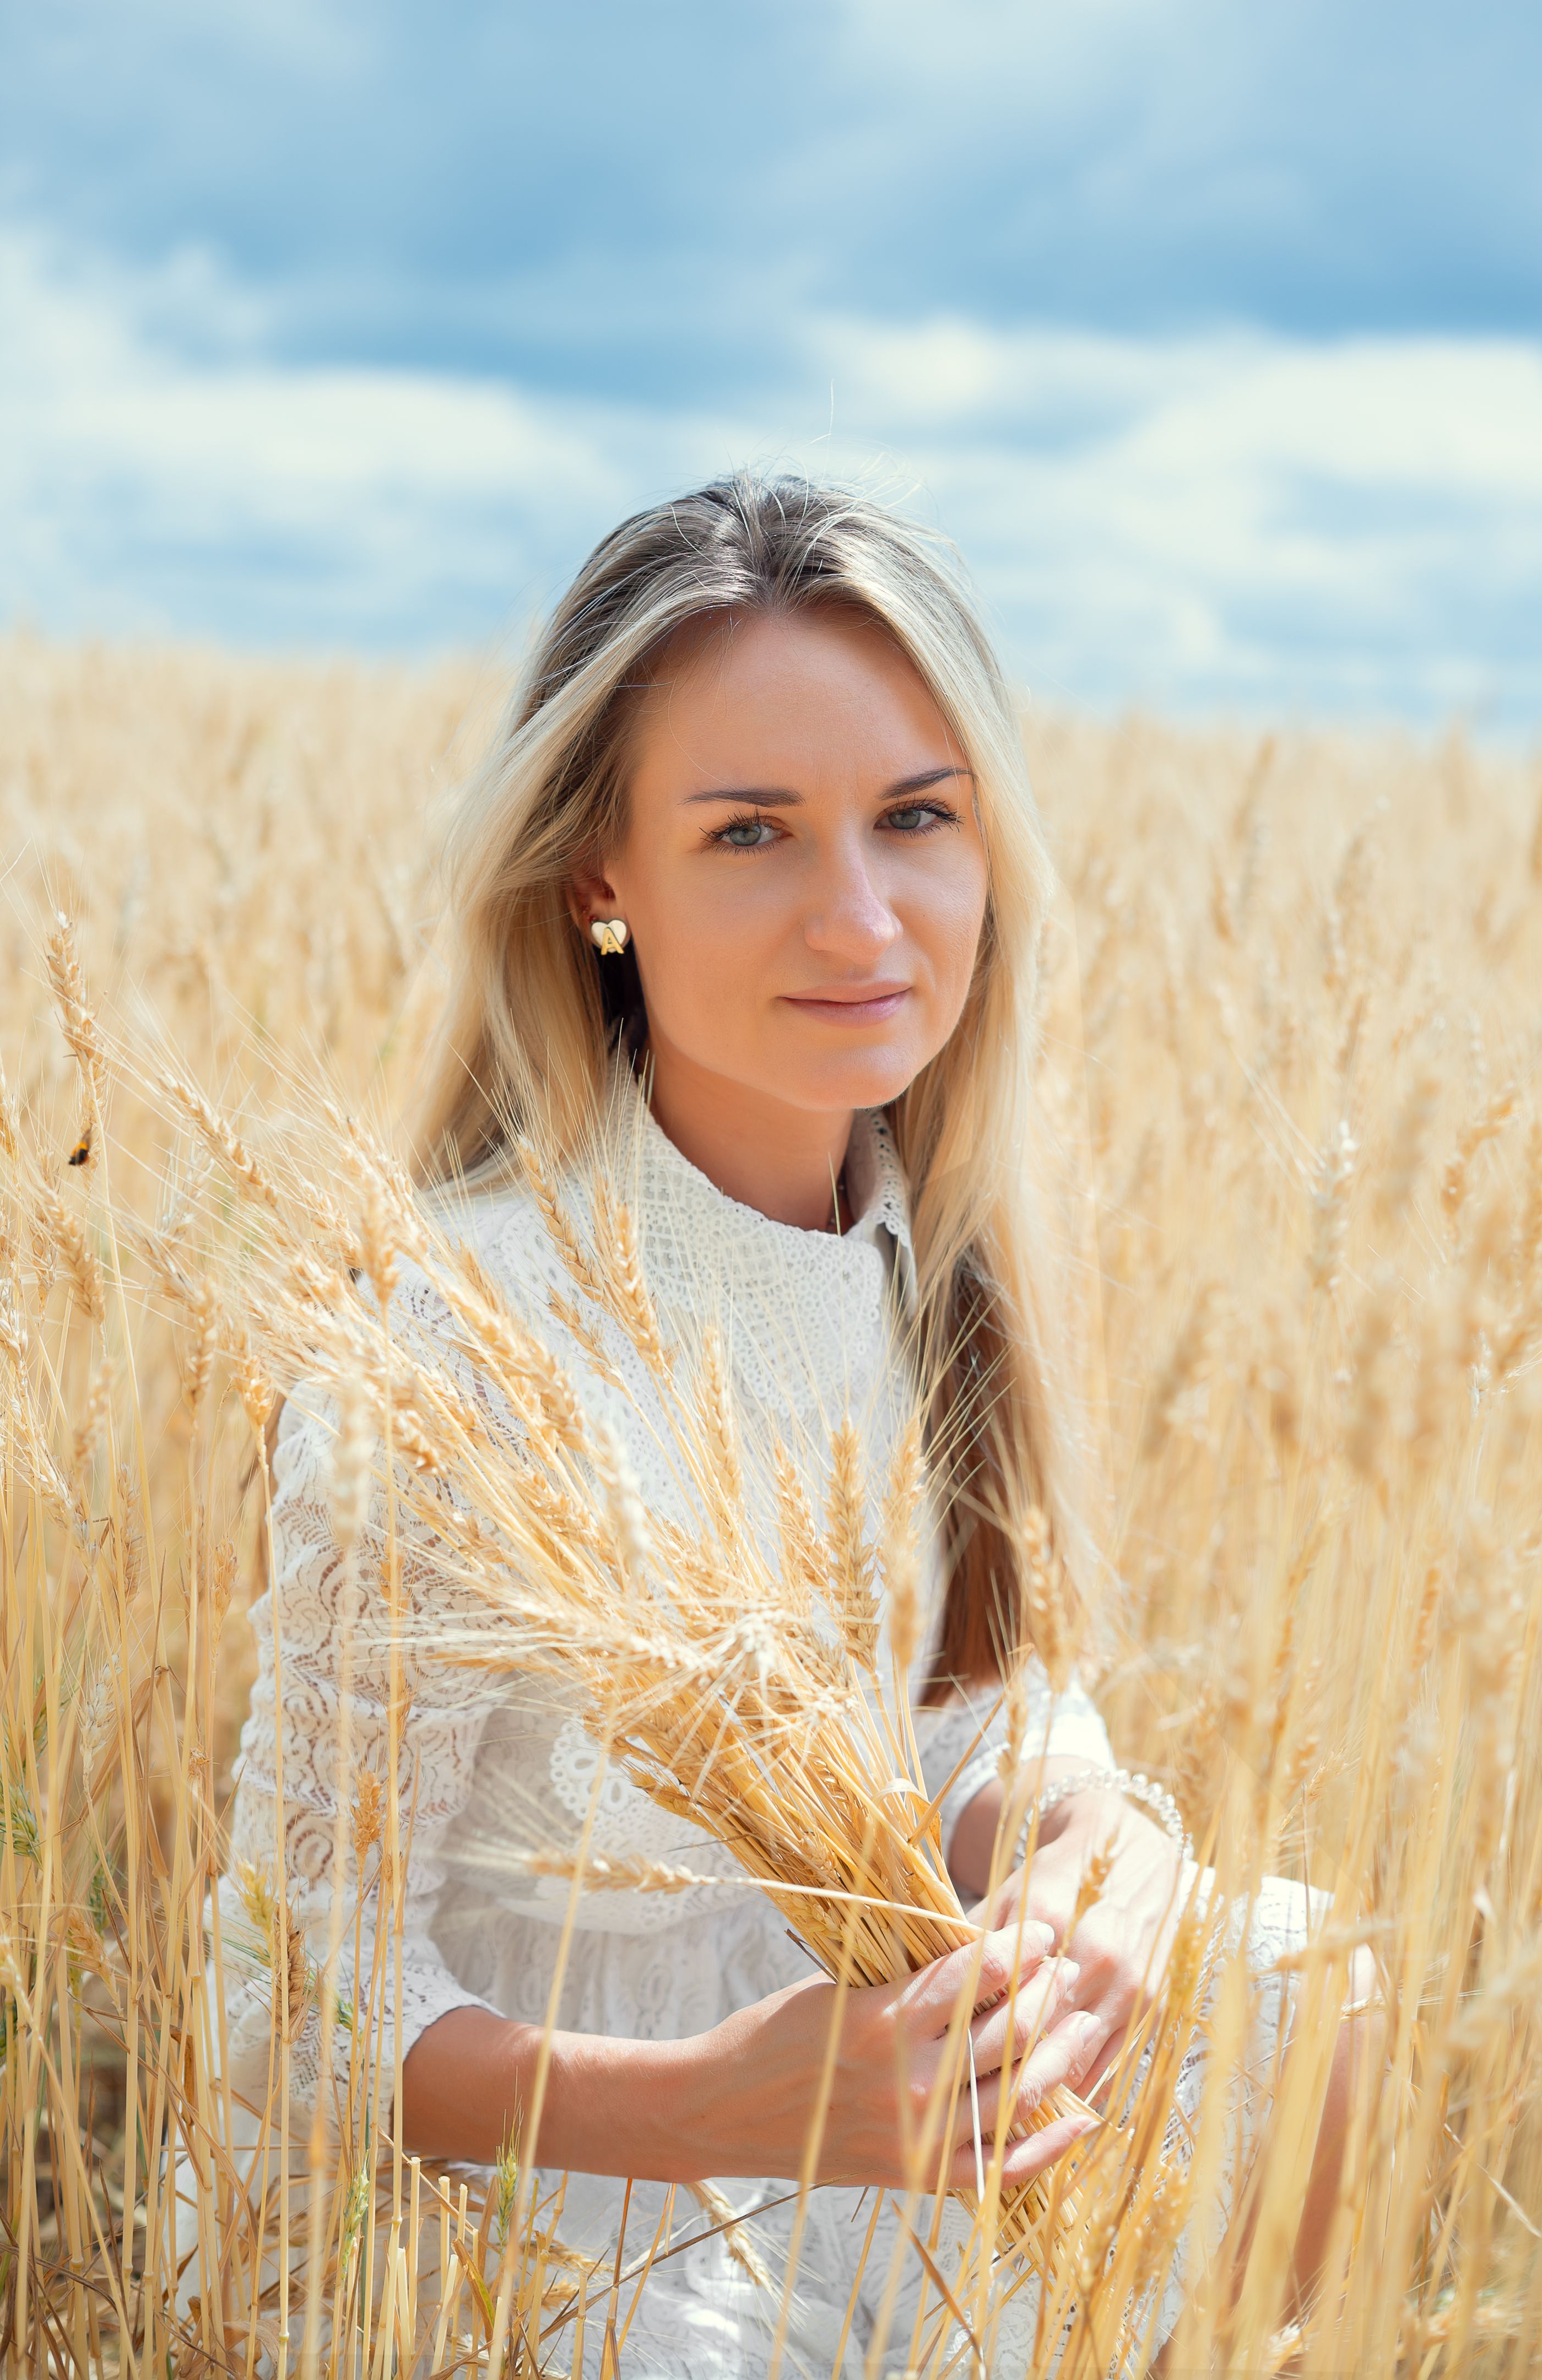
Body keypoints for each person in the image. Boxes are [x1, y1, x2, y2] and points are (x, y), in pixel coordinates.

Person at [221, 474, 1372, 2374]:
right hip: (520, 2248)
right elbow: (285, 2002)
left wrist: (1109, 1850)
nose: (864, 918)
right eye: (750, 831)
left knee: (1296, 1984)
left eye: (918, 818)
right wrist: (719, 2107)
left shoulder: (920, 1246)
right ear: (599, 875)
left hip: (877, 2144)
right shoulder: (453, 1348)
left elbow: (966, 1711)